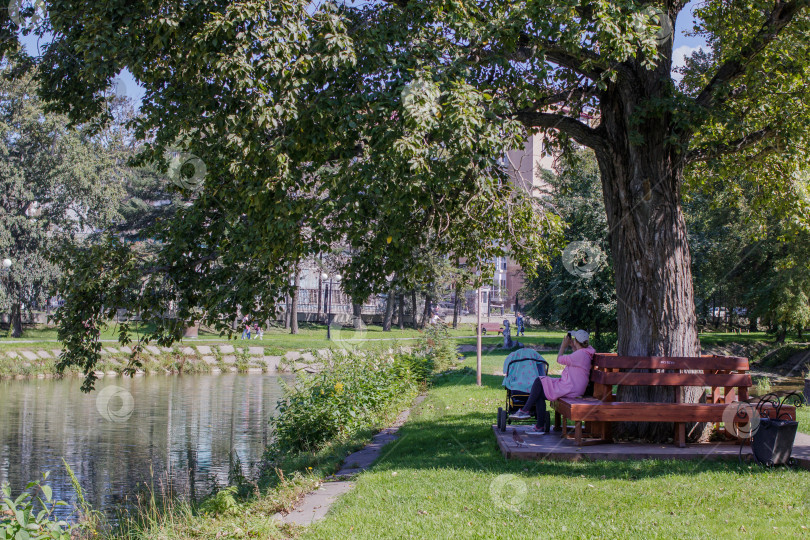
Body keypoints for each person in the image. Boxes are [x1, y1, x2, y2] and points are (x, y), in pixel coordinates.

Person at [509, 329, 595, 434]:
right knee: (539, 386)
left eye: (574, 340)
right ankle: (537, 425)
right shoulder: (586, 352)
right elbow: (578, 354)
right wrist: (573, 345)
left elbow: (560, 359)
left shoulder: (581, 355)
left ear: (577, 341)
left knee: (539, 382)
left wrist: (563, 346)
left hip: (570, 387)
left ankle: (526, 412)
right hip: (572, 385)